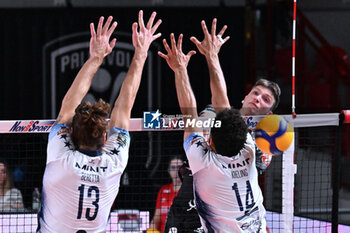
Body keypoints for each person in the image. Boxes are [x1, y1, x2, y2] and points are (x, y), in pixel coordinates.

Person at [37, 11, 162, 232]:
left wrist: (96, 57)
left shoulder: (61, 159)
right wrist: (141, 53)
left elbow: (68, 106)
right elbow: (125, 106)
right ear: (104, 138)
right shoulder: (114, 163)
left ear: (73, 137)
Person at [162, 19, 281, 233]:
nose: (258, 99)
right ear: (245, 96)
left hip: (211, 200)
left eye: (265, 99)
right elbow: (215, 107)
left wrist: (182, 68)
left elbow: (193, 113)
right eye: (256, 93)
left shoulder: (261, 142)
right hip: (203, 204)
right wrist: (212, 56)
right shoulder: (248, 148)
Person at [149, 156, 184, 233]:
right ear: (169, 170)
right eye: (173, 167)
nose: (176, 171)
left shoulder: (191, 190)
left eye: (179, 167)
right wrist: (152, 228)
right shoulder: (163, 190)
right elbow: (157, 217)